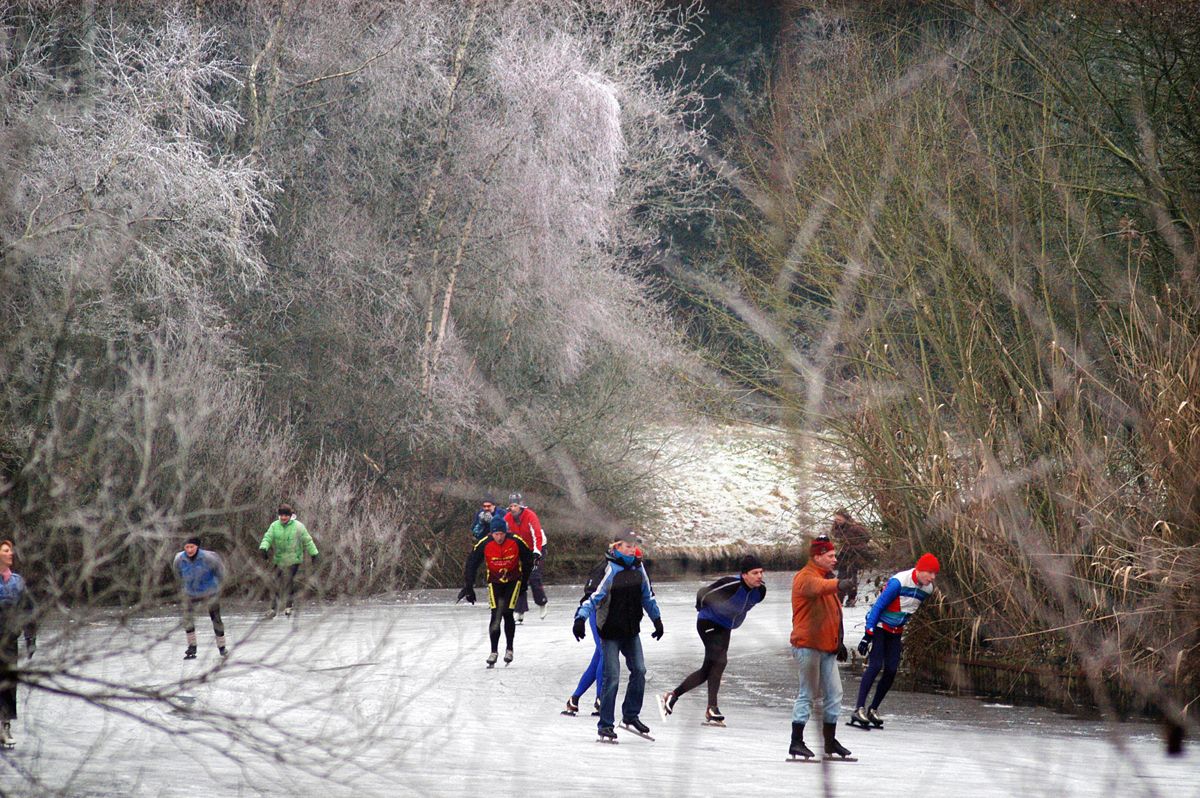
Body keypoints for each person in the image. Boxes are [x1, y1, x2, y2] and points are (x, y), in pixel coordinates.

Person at [572, 531, 663, 743]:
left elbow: (647, 596)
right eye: (627, 546)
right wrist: (580, 619)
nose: (632, 549)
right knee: (611, 677)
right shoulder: (610, 569)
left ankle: (631, 715)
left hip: (631, 631)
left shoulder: (639, 568)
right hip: (610, 632)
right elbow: (593, 598)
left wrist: (657, 620)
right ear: (616, 547)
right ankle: (605, 725)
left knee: (639, 671)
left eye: (634, 546)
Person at [659, 554, 766, 726]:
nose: (760, 576)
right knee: (720, 660)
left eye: (761, 572)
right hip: (708, 622)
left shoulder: (760, 592)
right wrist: (701, 608)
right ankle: (712, 708)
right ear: (744, 575)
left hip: (725, 627)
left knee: (708, 669)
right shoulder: (730, 585)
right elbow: (703, 593)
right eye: (755, 573)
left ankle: (673, 695)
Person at [850, 552, 939, 729]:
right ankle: (858, 708)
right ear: (920, 570)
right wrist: (868, 634)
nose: (933, 577)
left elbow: (909, 607)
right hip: (881, 626)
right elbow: (878, 606)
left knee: (891, 670)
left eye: (935, 574)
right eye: (930, 573)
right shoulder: (899, 582)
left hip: (896, 630)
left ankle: (873, 709)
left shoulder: (928, 589)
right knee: (875, 666)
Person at [788, 534, 854, 760]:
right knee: (807, 693)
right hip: (808, 645)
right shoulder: (805, 577)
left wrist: (839, 640)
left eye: (835, 555)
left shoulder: (825, 575)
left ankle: (829, 741)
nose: (835, 559)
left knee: (835, 693)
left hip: (827, 647)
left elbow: (833, 614)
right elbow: (818, 588)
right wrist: (838, 584)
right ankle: (796, 741)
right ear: (817, 556)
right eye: (830, 555)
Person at [458, 515, 534, 666]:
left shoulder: (516, 541)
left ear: (506, 532)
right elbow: (471, 565)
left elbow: (528, 560)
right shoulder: (484, 543)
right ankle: (493, 651)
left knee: (507, 612)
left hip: (513, 581)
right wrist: (469, 587)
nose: (499, 537)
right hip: (494, 582)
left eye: (502, 534)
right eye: (496, 534)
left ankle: (509, 648)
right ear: (491, 533)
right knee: (496, 614)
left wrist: (524, 582)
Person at [563, 534, 622, 716]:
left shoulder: (632, 567)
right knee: (605, 655)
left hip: (615, 618)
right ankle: (600, 699)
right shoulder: (603, 568)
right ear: (614, 547)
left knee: (599, 657)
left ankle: (574, 699)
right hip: (598, 615)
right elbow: (589, 595)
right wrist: (579, 618)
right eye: (622, 546)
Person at [0, 540, 36, 749]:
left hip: (10, 640)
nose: (10, 554)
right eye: (6, 551)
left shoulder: (17, 582)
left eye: (11, 550)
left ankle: (5, 726)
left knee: (9, 683)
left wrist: (30, 638)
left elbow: (28, 610)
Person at [258, 504, 319, 619]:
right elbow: (268, 537)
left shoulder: (298, 526)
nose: (283, 517)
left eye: (286, 515)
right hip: (279, 559)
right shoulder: (274, 526)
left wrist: (314, 554)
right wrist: (263, 548)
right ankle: (273, 608)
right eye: (281, 515)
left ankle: (288, 606)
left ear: (290, 516)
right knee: (276, 582)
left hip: (293, 559)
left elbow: (308, 541)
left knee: (288, 579)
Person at [172, 536, 228, 659]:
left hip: (210, 591)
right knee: (188, 619)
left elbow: (221, 573)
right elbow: (177, 575)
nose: (189, 550)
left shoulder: (210, 558)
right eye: (187, 547)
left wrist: (219, 589)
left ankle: (222, 647)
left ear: (197, 547)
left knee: (216, 619)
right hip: (190, 592)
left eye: (192, 547)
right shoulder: (179, 559)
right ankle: (192, 647)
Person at [503, 493, 548, 622]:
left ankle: (542, 602)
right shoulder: (507, 519)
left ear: (521, 506)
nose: (513, 508)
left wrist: (536, 552)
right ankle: (519, 610)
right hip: (520, 550)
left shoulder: (530, 516)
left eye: (515, 505)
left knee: (534, 577)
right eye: (511, 506)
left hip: (537, 546)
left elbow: (537, 535)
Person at [830, 509, 872, 607]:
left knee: (851, 577)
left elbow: (867, 538)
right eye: (836, 519)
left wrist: (853, 547)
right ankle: (839, 600)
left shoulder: (855, 528)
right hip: (842, 556)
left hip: (853, 556)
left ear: (846, 519)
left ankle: (851, 598)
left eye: (839, 519)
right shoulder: (836, 529)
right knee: (841, 576)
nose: (837, 521)